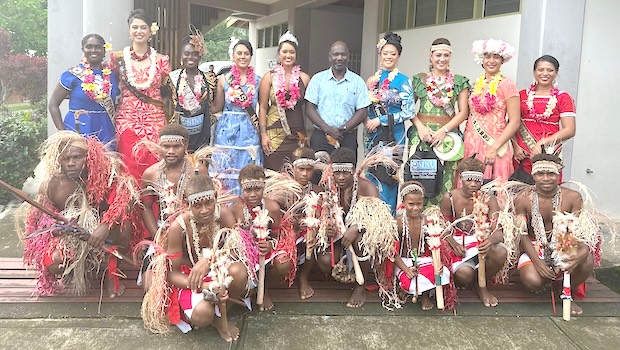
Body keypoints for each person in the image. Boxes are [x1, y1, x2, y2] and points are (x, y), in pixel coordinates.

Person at [17, 131, 142, 297]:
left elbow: (126, 199)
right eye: (66, 159)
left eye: (76, 158)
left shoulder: (107, 175)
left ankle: (112, 273)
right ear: (59, 160)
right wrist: (57, 229)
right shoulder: (53, 184)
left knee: (125, 224)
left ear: (89, 157)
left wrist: (105, 225)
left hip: (108, 235)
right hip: (74, 237)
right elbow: (41, 220)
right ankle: (80, 268)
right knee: (54, 262)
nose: (71, 163)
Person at [142, 175, 251, 341]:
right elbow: (172, 274)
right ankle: (213, 318)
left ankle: (222, 315)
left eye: (208, 203)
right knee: (202, 315)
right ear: (187, 204)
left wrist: (209, 260)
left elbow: (237, 251)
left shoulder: (224, 214)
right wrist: (206, 285)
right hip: (190, 278)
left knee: (240, 271)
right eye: (197, 205)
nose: (204, 210)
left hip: (217, 269)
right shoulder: (178, 227)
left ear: (215, 197)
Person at [514, 153, 602, 315]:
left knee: (587, 259)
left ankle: (566, 291)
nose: (546, 178)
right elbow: (522, 234)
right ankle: (545, 280)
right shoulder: (522, 198)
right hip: (535, 245)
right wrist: (538, 262)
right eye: (540, 174)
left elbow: (580, 233)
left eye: (551, 174)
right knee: (533, 281)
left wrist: (580, 253)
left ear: (559, 174)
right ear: (533, 175)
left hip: (565, 243)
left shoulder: (572, 197)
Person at [316, 147, 387, 308]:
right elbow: (320, 214)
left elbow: (379, 218)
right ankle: (343, 273)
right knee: (325, 261)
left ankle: (360, 286)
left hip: (361, 238)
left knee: (361, 239)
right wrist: (327, 227)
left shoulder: (366, 188)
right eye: (337, 172)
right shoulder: (327, 187)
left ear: (353, 171)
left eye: (345, 173)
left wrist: (356, 227)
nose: (340, 177)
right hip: (338, 238)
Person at [110, 9, 171, 180]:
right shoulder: (117, 59)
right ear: (129, 31)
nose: (139, 31)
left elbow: (167, 92)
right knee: (129, 168)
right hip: (127, 121)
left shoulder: (161, 61)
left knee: (155, 167)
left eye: (143, 27)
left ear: (150, 31)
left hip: (155, 121)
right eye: (135, 27)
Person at [408, 38, 470, 205]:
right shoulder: (418, 80)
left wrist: (445, 130)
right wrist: (420, 128)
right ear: (431, 57)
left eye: (446, 55)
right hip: (422, 135)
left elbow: (464, 112)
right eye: (438, 55)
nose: (442, 59)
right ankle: (418, 217)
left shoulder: (459, 81)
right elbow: (408, 108)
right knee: (420, 177)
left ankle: (442, 219)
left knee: (446, 177)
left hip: (448, 137)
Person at [440, 156, 508, 307]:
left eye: (477, 180)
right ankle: (473, 279)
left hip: (482, 241)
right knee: (464, 275)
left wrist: (490, 241)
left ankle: (481, 285)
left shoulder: (489, 199)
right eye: (468, 180)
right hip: (459, 244)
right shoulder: (450, 197)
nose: (473, 184)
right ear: (461, 179)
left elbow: (499, 230)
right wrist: (452, 244)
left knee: (500, 252)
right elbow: (442, 227)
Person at [228, 164, 296, 311]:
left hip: (266, 250)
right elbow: (230, 240)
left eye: (257, 189)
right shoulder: (234, 209)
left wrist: (270, 245)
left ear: (264, 188)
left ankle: (264, 288)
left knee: (284, 262)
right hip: (243, 254)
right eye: (248, 190)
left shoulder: (272, 208)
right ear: (241, 189)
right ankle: (249, 289)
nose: (253, 194)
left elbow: (278, 236)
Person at [364, 32, 415, 213]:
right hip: (373, 135)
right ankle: (371, 216)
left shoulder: (403, 81)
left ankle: (388, 216)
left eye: (393, 54)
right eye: (385, 53)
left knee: (387, 175)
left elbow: (409, 111)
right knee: (371, 173)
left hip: (393, 135)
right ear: (380, 55)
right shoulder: (372, 80)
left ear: (398, 56)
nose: (389, 57)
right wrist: (368, 121)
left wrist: (381, 120)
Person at [463, 39, 520, 182]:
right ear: (481, 59)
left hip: (496, 142)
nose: (491, 61)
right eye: (487, 56)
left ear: (502, 60)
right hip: (471, 141)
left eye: (496, 57)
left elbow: (514, 121)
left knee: (493, 188)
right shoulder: (475, 84)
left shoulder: (507, 84)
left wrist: (494, 147)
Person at [49, 34, 120, 148]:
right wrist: (62, 133)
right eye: (89, 47)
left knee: (106, 163)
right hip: (79, 126)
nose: (93, 50)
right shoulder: (72, 74)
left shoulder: (111, 75)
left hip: (105, 128)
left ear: (104, 50)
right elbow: (53, 104)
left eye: (98, 47)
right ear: (83, 49)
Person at [141, 124, 210, 238]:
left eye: (176, 146)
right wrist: (158, 237)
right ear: (160, 146)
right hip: (164, 230)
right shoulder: (150, 174)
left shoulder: (198, 171)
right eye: (166, 146)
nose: (171, 151)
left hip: (195, 231)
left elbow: (208, 204)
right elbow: (146, 208)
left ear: (186, 146)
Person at [305, 41, 371, 161]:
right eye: (336, 54)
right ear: (330, 57)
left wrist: (344, 128)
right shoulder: (318, 80)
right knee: (319, 175)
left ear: (348, 56)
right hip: (321, 137)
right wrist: (327, 128)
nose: (339, 58)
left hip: (347, 138)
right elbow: (309, 108)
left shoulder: (357, 82)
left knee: (345, 176)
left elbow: (362, 111)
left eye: (343, 54)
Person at [211, 39, 262, 194]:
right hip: (227, 130)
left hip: (249, 129)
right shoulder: (223, 80)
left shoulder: (259, 81)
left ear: (251, 57)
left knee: (246, 166)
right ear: (233, 56)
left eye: (246, 53)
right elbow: (216, 107)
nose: (242, 56)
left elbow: (264, 108)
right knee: (225, 167)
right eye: (239, 53)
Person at [513, 55, 576, 177]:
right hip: (522, 155)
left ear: (556, 73)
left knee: (547, 189)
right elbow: (512, 122)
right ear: (534, 72)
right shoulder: (521, 95)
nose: (545, 73)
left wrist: (541, 144)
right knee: (521, 192)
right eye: (540, 70)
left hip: (548, 153)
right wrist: (516, 147)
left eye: (550, 70)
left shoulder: (563, 98)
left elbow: (570, 130)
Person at [394, 181, 452, 310]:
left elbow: (434, 246)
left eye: (419, 204)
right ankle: (403, 288)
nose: (415, 208)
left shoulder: (427, 221)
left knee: (442, 273)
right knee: (411, 279)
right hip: (403, 261)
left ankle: (425, 296)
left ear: (423, 202)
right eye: (411, 204)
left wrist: (438, 263)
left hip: (423, 259)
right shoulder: (397, 223)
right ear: (403, 203)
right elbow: (392, 252)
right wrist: (406, 269)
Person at [259, 31, 311, 171]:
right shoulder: (269, 77)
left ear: (296, 55)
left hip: (297, 135)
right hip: (274, 136)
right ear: (279, 53)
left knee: (297, 173)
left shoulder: (305, 78)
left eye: (292, 52)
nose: (288, 55)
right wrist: (263, 135)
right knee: (273, 174)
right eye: (285, 52)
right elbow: (263, 108)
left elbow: (310, 109)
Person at [167, 29, 216, 151]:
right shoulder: (172, 78)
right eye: (186, 53)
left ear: (200, 55)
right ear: (181, 55)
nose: (190, 57)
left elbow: (214, 105)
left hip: (204, 134)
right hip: (179, 135)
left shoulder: (210, 78)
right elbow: (165, 103)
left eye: (194, 54)